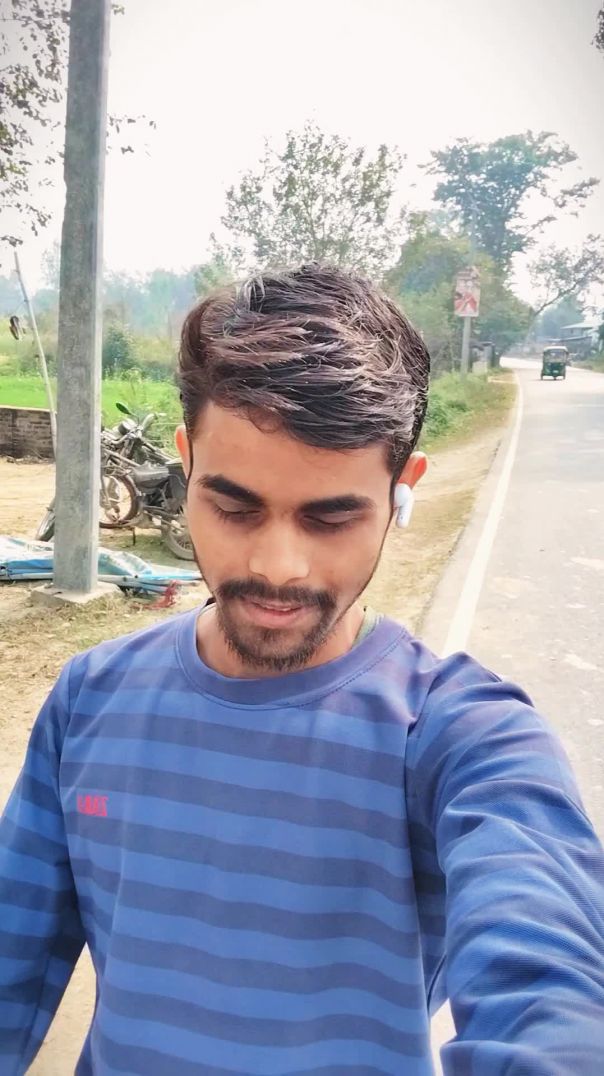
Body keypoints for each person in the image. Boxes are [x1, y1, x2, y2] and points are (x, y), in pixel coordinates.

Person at [1, 264, 603, 1075]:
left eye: (331, 518)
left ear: (401, 490)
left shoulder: (463, 734)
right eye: (234, 506)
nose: (277, 565)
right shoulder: (88, 701)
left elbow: (550, 981)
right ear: (186, 462)